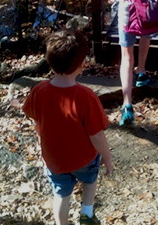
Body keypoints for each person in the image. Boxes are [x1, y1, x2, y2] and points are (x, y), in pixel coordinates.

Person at [22, 29, 113, 225]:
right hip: (84, 159)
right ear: (81, 66)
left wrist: (42, 139)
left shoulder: (39, 91)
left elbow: (36, 121)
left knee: (61, 194)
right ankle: (87, 214)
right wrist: (107, 157)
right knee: (89, 181)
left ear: (50, 62)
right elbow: (96, 135)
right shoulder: (86, 96)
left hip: (54, 159)